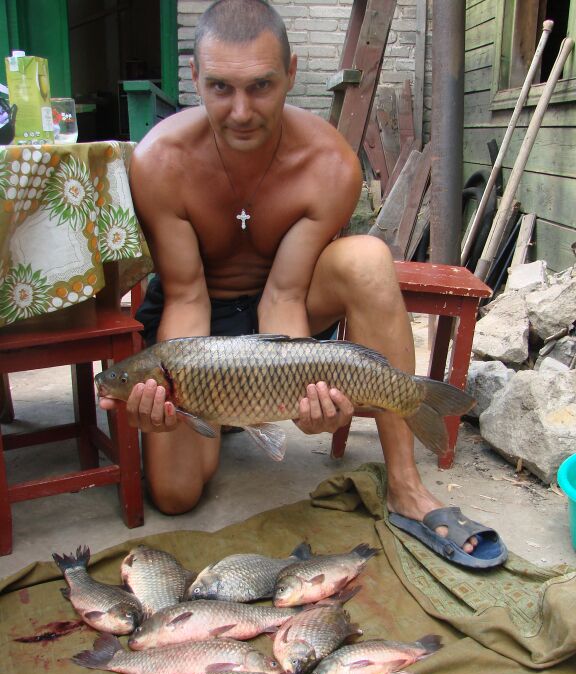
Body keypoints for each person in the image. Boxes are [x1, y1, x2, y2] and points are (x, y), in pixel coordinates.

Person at [100, 0, 507, 568]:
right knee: (174, 496)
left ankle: (406, 484)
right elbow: (187, 295)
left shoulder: (330, 164)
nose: (241, 111)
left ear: (291, 72)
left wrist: (297, 394)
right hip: (199, 320)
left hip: (285, 298)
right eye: (220, 88)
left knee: (367, 258)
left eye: (261, 86)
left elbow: (285, 294)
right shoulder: (159, 161)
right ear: (194, 77)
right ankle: (222, 414)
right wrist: (177, 391)